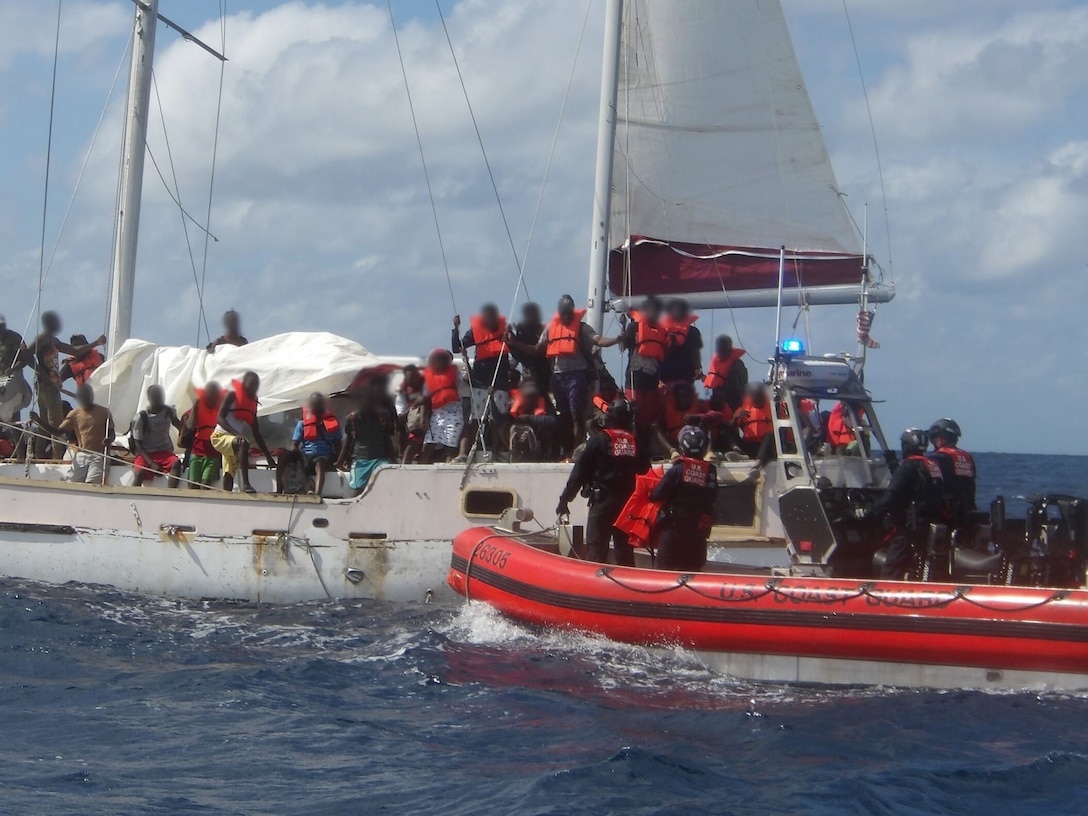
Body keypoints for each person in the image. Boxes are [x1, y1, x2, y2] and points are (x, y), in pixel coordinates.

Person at [556, 400, 645, 565]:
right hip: (627, 505)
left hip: (603, 502)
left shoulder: (598, 441)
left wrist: (564, 500)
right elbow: (645, 472)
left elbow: (579, 474)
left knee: (596, 549)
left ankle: (595, 584)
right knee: (624, 550)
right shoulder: (636, 443)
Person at [508, 294, 598, 458]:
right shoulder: (550, 330)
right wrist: (513, 343)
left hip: (572, 377)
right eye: (562, 312)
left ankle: (575, 451)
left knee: (576, 415)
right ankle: (558, 450)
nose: (565, 316)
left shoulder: (581, 328)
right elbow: (534, 351)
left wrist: (613, 340)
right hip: (555, 379)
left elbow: (597, 340)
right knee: (562, 417)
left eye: (568, 312)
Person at [868, 429, 945, 579]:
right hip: (928, 525)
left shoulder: (908, 467)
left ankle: (886, 596)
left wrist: (869, 513)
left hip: (908, 530)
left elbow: (892, 496)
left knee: (890, 570)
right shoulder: (932, 465)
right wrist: (892, 464)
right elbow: (914, 481)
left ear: (907, 446)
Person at [29, 312, 105, 459]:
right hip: (48, 387)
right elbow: (26, 355)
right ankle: (55, 457)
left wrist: (97, 342)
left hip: (99, 399)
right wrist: (45, 377)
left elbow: (73, 351)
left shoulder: (99, 358)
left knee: (46, 421)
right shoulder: (67, 363)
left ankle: (42, 455)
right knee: (54, 422)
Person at [596, 296, 670, 449]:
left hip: (652, 380)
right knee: (635, 414)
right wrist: (623, 328)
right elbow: (623, 347)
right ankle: (634, 447)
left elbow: (664, 354)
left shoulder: (662, 332)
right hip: (635, 379)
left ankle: (649, 448)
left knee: (651, 417)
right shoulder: (634, 327)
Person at [650, 426, 718, 571]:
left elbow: (656, 495)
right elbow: (711, 497)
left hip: (674, 532)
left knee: (665, 572)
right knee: (693, 571)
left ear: (682, 448)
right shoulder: (711, 472)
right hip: (697, 535)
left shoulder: (677, 469)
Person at [452, 303, 511, 458]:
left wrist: (510, 340)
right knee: (475, 420)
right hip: (480, 383)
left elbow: (515, 349)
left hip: (500, 383)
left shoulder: (506, 331)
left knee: (498, 420)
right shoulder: (474, 331)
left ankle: (497, 453)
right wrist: (456, 328)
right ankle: (464, 453)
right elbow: (456, 347)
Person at [29, 383, 114, 485]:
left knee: (92, 484)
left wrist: (109, 439)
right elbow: (57, 432)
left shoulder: (104, 412)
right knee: (73, 483)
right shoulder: (74, 414)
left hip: (99, 455)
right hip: (81, 455)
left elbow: (112, 434)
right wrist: (38, 420)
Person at [210, 371, 276, 493]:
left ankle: (227, 496)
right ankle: (246, 485)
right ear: (244, 383)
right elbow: (219, 418)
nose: (253, 388)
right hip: (219, 436)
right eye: (251, 384)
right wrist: (236, 433)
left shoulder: (252, 404)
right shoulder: (232, 396)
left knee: (229, 471)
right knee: (243, 443)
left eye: (256, 385)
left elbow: (256, 433)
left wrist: (268, 456)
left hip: (233, 440)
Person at [338, 386, 395, 495]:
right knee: (357, 491)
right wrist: (340, 461)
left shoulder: (383, 417)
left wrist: (393, 460)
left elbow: (387, 439)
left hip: (381, 459)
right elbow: (348, 441)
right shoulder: (351, 419)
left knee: (386, 488)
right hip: (360, 460)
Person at [927, 418, 977, 531]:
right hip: (966, 511)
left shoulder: (938, 458)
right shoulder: (967, 457)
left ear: (940, 438)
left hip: (945, 514)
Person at [291, 392, 343, 496]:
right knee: (295, 464)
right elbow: (294, 444)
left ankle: (317, 494)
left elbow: (338, 445)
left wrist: (339, 461)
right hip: (306, 455)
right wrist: (294, 452)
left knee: (319, 464)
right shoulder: (302, 424)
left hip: (324, 456)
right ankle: (299, 490)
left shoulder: (333, 423)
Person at [131, 385, 183, 488]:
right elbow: (138, 445)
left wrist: (174, 419)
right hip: (146, 453)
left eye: (161, 396)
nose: (159, 399)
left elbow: (181, 428)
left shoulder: (169, 411)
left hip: (164, 452)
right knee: (139, 473)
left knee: (176, 464)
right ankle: (129, 497)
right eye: (156, 396)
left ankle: (171, 495)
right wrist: (151, 464)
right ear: (150, 398)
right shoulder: (141, 417)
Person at [420, 349, 463, 464]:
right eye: (440, 359)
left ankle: (449, 468)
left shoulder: (455, 372)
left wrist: (466, 360)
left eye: (446, 359)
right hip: (437, 415)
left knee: (450, 447)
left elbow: (466, 379)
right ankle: (421, 469)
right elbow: (425, 399)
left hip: (454, 413)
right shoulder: (428, 377)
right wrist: (423, 418)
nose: (443, 362)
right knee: (428, 445)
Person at [184, 382, 224, 488]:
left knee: (205, 484)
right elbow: (189, 427)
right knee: (192, 485)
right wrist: (195, 407)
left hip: (214, 453)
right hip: (196, 451)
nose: (212, 398)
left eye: (215, 395)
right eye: (210, 395)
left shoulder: (221, 409)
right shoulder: (198, 407)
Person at [508, 302, 551, 396]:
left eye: (532, 313)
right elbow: (518, 356)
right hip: (529, 377)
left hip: (544, 375)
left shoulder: (543, 331)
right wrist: (511, 341)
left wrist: (514, 342)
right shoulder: (523, 333)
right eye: (527, 314)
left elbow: (536, 351)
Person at [659, 298, 702, 386]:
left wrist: (697, 368)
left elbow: (695, 353)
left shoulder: (693, 332)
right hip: (666, 377)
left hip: (685, 377)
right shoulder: (662, 331)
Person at [703, 334, 747, 412]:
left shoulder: (737, 365)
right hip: (717, 403)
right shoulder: (715, 363)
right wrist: (703, 378)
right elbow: (715, 381)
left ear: (729, 349)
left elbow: (741, 387)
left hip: (732, 402)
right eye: (719, 348)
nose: (721, 351)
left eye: (723, 348)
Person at [394, 364, 427, 464]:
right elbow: (401, 417)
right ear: (406, 379)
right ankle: (402, 460)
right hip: (415, 425)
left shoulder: (426, 385)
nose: (414, 380)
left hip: (431, 422)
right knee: (410, 448)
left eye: (416, 377)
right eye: (411, 378)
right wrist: (414, 406)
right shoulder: (402, 392)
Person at [733, 383, 773, 460]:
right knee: (725, 428)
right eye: (754, 396)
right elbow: (731, 428)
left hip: (766, 446)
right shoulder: (743, 409)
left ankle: (759, 461)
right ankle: (741, 454)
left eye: (759, 397)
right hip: (749, 445)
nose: (756, 399)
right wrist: (735, 418)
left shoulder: (773, 408)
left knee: (769, 436)